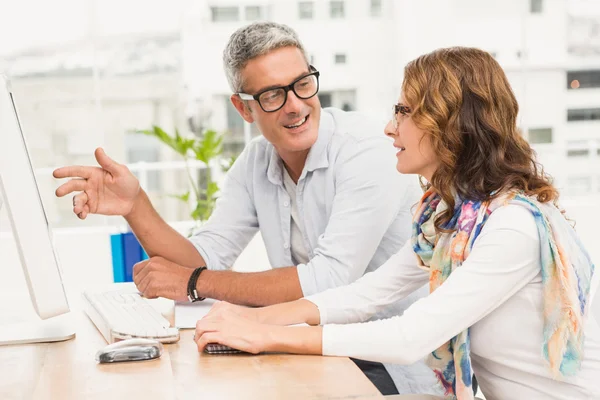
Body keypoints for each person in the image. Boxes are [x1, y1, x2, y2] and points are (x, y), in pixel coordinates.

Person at [193, 47, 600, 400]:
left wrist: (268, 335)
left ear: (451, 125)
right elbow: (369, 293)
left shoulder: (512, 228)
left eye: (405, 112)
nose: (390, 127)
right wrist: (254, 320)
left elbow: (412, 337)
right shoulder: (452, 219)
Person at [52, 22, 432, 395]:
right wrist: (135, 206)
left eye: (302, 84)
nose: (295, 106)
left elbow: (329, 280)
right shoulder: (256, 162)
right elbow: (205, 258)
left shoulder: (366, 150)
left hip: (391, 365)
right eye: (272, 95)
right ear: (244, 108)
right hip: (318, 346)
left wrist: (196, 283)